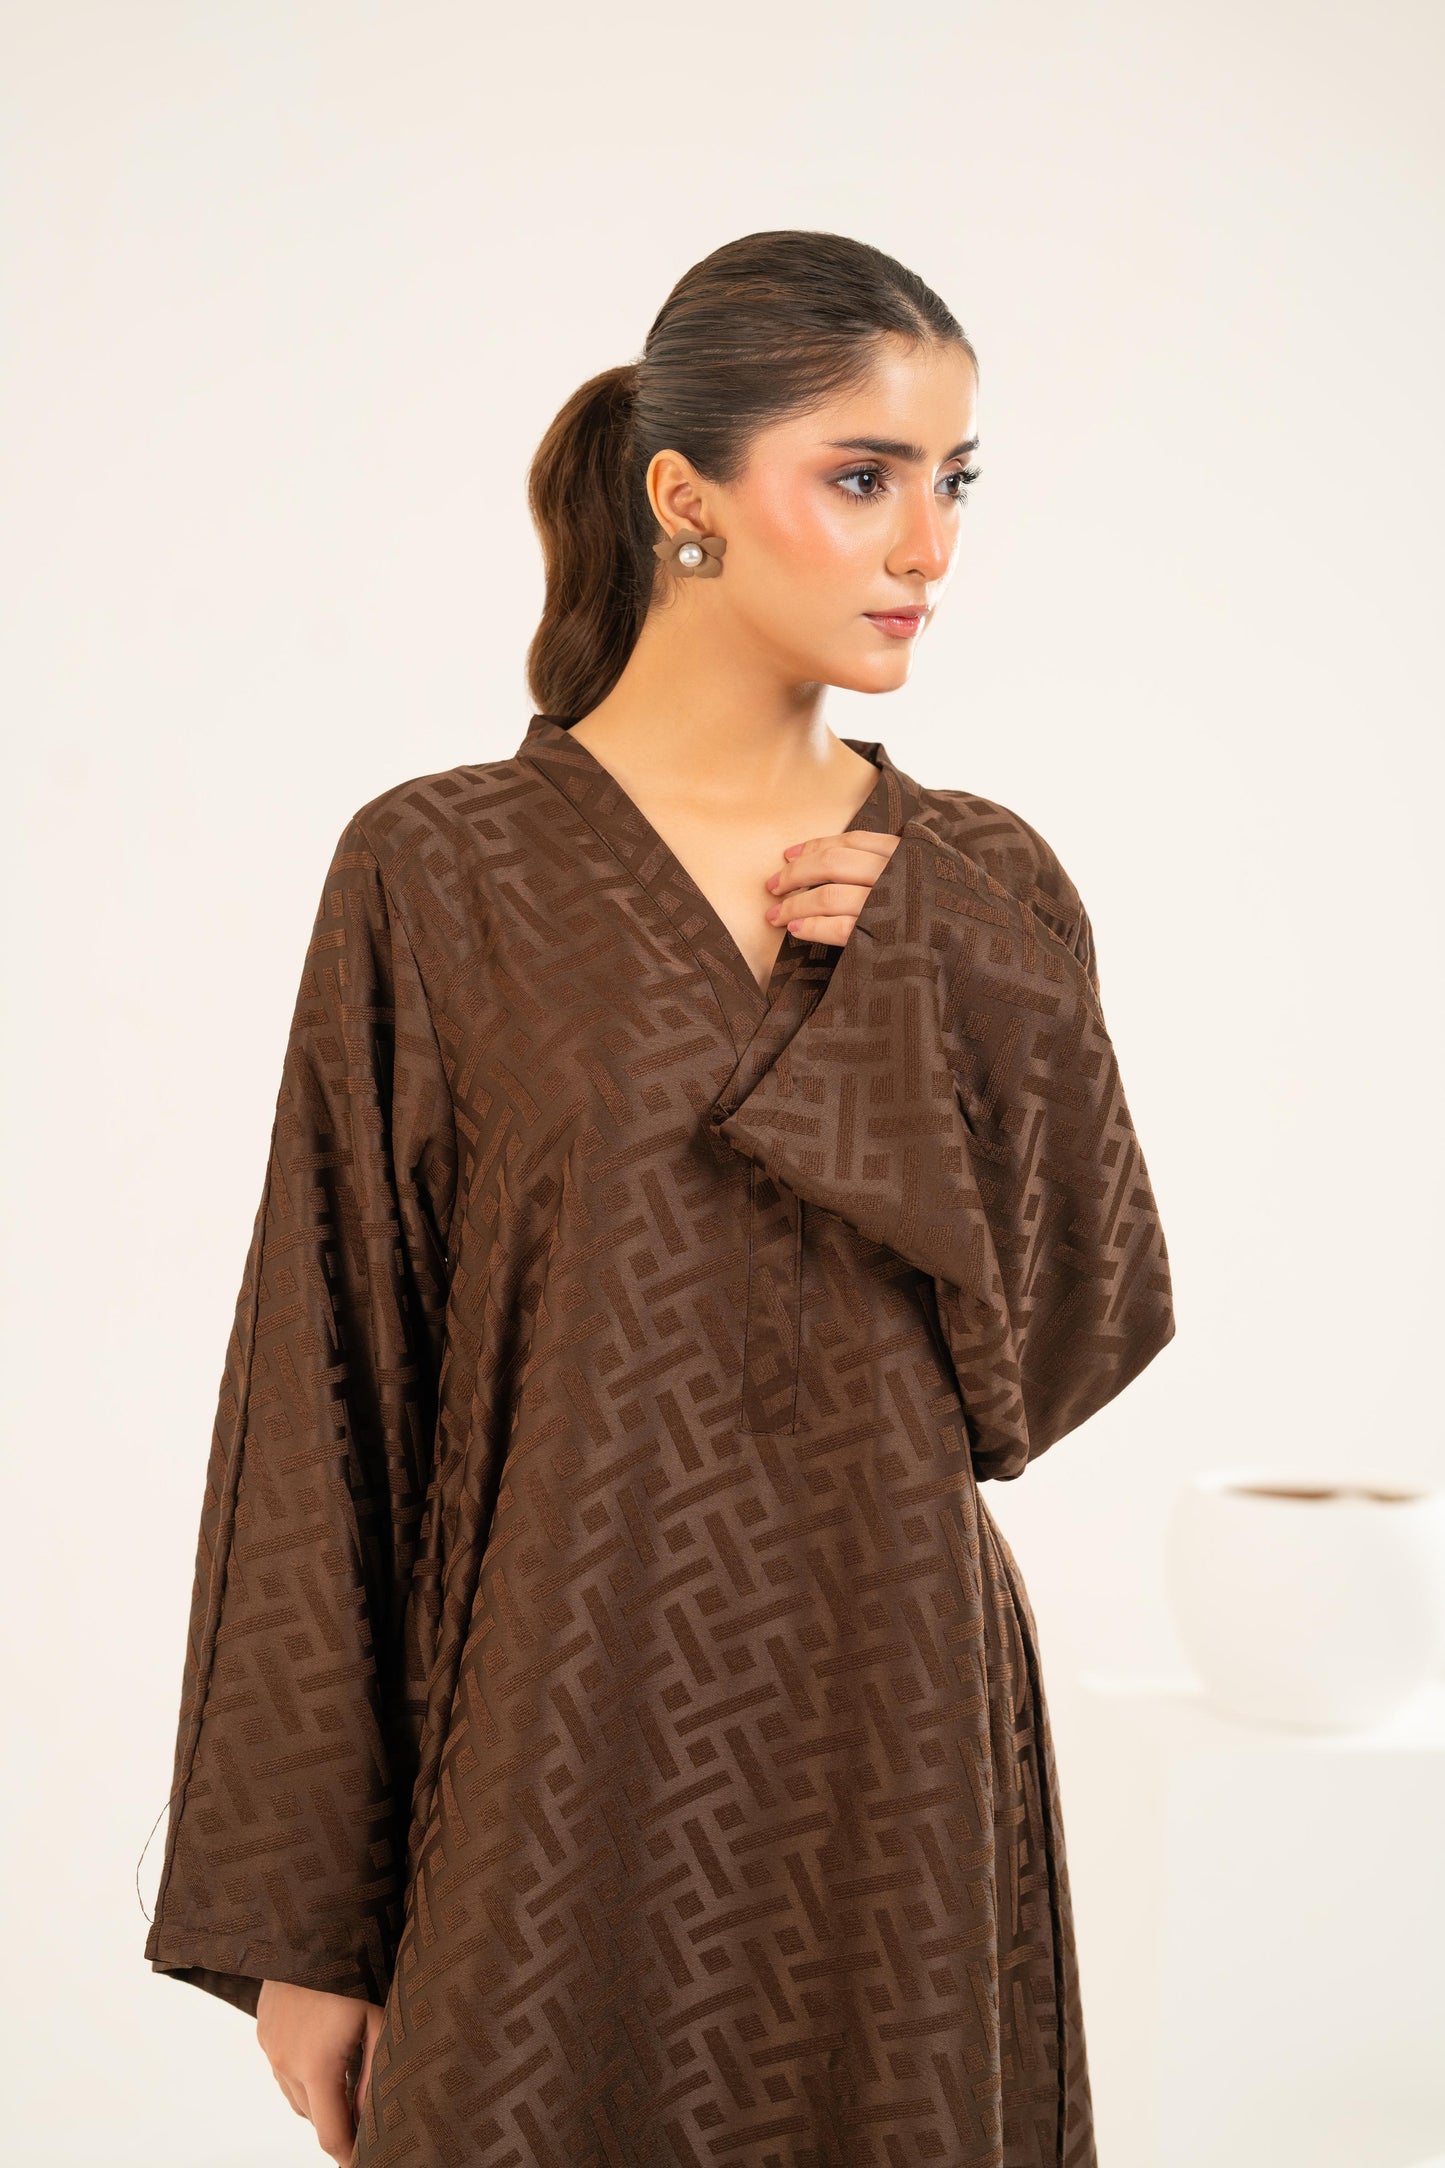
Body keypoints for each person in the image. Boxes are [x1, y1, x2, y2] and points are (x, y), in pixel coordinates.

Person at [139, 228, 1174, 2168]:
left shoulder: (982, 880)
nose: (927, 545)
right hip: (551, 1720)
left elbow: (1059, 1350)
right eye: (861, 477)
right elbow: (329, 1383)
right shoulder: (440, 870)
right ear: (685, 497)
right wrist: (308, 1920)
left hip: (895, 1731)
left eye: (954, 481)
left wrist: (963, 978)